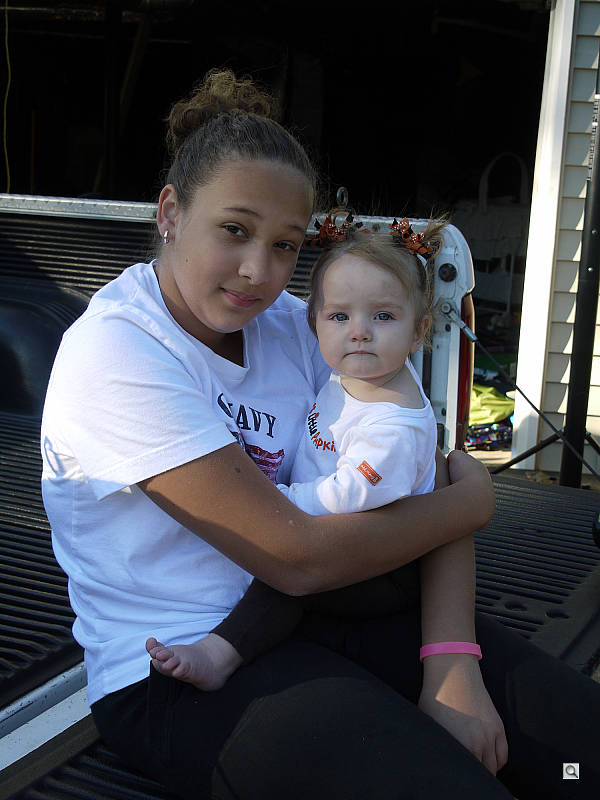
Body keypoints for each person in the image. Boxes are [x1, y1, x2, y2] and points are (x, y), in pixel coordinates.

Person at [40, 68, 600, 799]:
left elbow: (417, 473)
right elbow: (297, 557)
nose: (258, 271)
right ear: (171, 211)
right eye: (235, 230)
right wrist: (474, 503)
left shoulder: (297, 326)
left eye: (285, 245)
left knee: (580, 757)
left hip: (340, 605)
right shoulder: (118, 350)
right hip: (183, 662)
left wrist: (451, 662)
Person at [144, 218, 448, 691]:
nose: (360, 332)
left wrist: (278, 504)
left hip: (385, 565)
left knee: (289, 576)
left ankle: (220, 654)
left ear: (418, 332)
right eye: (339, 317)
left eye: (384, 317)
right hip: (360, 541)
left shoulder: (395, 427)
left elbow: (351, 495)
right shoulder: (359, 376)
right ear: (315, 325)